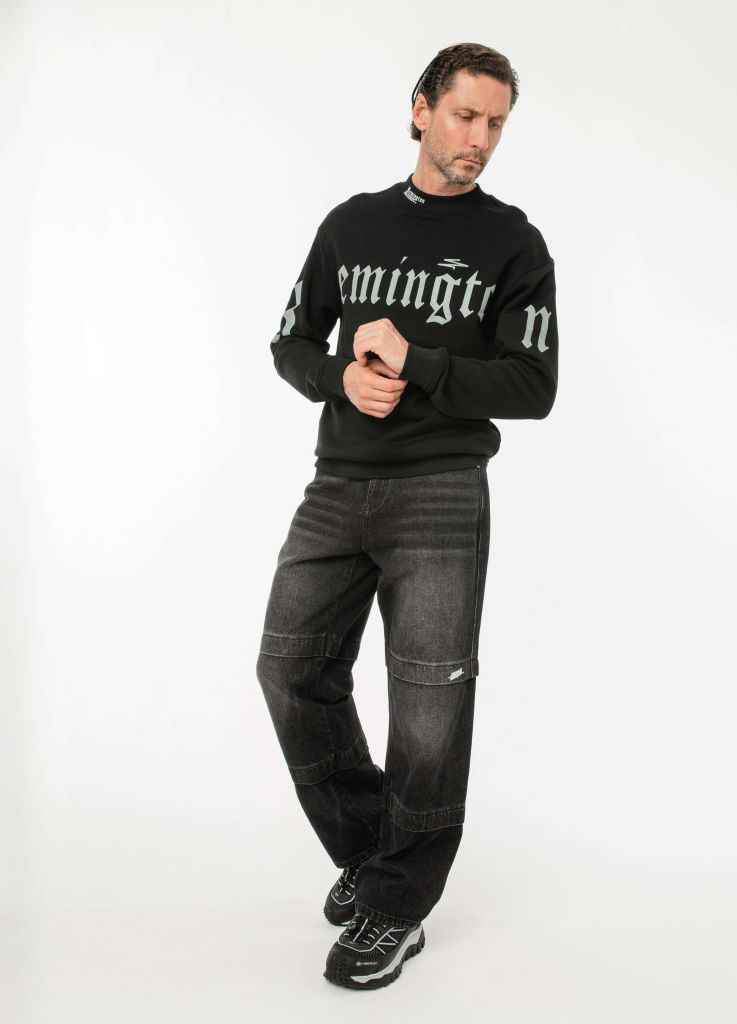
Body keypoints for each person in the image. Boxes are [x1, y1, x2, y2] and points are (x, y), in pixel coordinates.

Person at [256, 41, 558, 990]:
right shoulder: (351, 224)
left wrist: (420, 362)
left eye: (496, 123)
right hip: (337, 484)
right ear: (421, 109)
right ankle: (378, 853)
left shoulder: (515, 244)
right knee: (290, 669)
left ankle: (395, 906)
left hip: (441, 491)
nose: (480, 139)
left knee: (429, 705)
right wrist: (338, 378)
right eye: (466, 115)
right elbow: (291, 341)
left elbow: (535, 386)